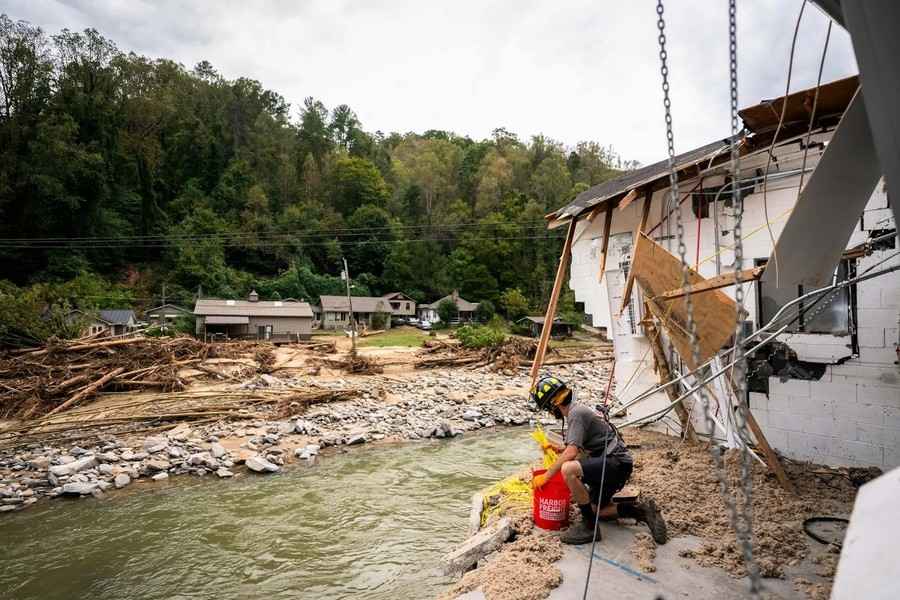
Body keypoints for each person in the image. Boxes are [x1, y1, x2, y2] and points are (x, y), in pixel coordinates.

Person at [530, 374, 668, 545]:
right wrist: (557, 449)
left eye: (548, 409)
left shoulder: (576, 414)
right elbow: (580, 449)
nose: (551, 414)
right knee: (595, 511)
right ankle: (642, 511)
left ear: (554, 405)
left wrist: (547, 476)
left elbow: (572, 452)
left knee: (568, 469)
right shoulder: (576, 411)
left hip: (615, 463)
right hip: (612, 465)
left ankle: (589, 528)